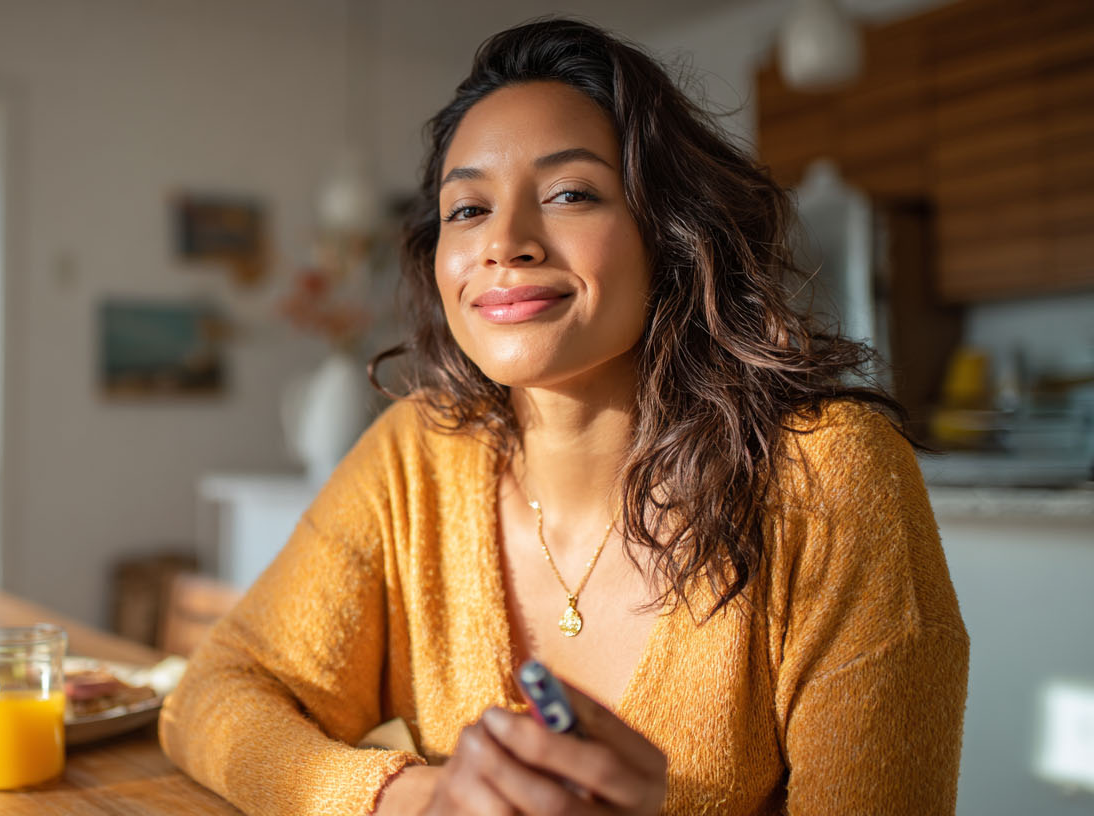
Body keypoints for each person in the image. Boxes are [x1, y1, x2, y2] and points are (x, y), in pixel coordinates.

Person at [160, 18, 968, 816]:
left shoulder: (830, 477)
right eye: (467, 209)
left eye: (569, 193)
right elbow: (212, 697)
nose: (503, 243)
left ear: (670, 234)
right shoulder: (418, 455)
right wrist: (413, 799)